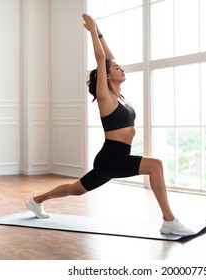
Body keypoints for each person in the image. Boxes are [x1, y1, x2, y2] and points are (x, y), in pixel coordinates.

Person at [25, 13, 193, 236]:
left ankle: (36, 200)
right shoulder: (105, 97)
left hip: (115, 158)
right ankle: (169, 220)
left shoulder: (121, 96)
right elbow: (101, 59)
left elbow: (107, 58)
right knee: (155, 165)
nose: (121, 69)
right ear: (106, 76)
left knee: (75, 189)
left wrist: (100, 32)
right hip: (111, 158)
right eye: (116, 68)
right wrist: (92, 32)